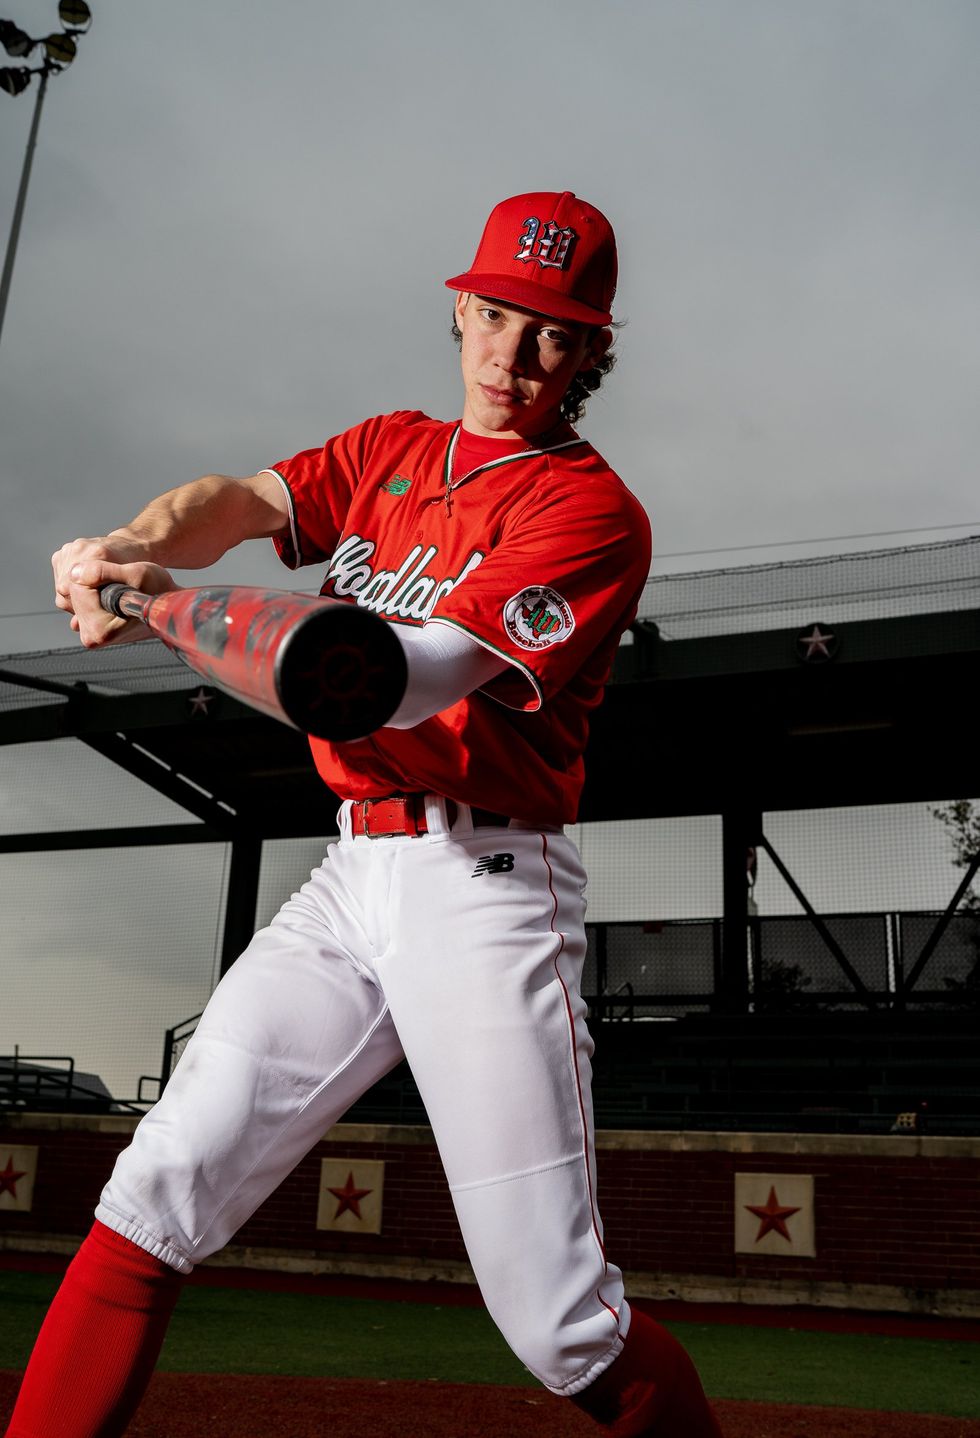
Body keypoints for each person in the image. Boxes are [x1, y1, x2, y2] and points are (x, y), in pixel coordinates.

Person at [8, 191, 722, 1437]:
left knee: (559, 1325)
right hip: (352, 884)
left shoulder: (588, 513)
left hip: (485, 890)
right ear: (459, 306)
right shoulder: (391, 448)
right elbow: (240, 499)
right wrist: (127, 543)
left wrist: (172, 611)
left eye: (551, 332)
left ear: (593, 352)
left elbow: (395, 676)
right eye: (496, 314)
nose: (512, 356)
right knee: (153, 1191)